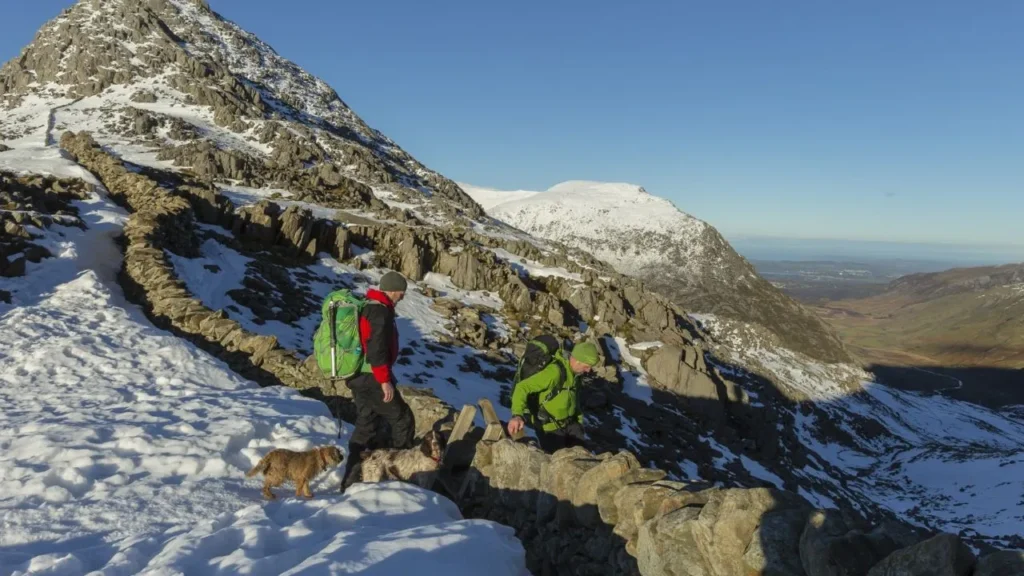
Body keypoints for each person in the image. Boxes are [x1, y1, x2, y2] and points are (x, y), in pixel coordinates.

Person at [341, 271, 415, 489]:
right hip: (373, 377)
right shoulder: (380, 312)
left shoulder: (368, 305)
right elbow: (376, 349)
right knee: (402, 419)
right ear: (392, 290)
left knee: (367, 425)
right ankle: (401, 476)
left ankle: (351, 480)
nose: (402, 297)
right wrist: (384, 380)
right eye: (401, 293)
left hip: (358, 375)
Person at [506, 341, 600, 452]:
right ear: (578, 361)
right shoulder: (554, 372)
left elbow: (575, 399)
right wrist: (517, 415)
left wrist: (579, 423)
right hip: (550, 429)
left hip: (571, 425)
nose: (588, 370)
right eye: (587, 366)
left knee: (582, 459)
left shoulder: (576, 375)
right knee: (558, 465)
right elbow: (522, 387)